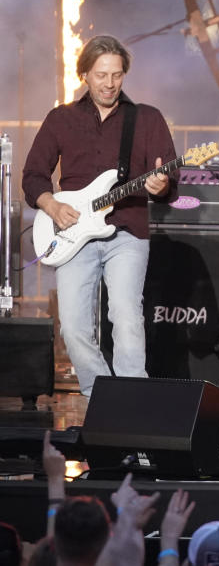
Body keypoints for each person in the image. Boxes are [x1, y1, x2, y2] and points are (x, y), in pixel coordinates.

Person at [22, 35, 178, 396]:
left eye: (117, 75)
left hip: (128, 230)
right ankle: (100, 395)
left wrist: (161, 185)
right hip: (73, 233)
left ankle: (133, 402)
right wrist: (51, 204)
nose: (109, 84)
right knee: (73, 327)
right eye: (101, 75)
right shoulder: (61, 119)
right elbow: (33, 175)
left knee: (125, 318)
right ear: (85, 75)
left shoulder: (147, 119)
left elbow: (169, 183)